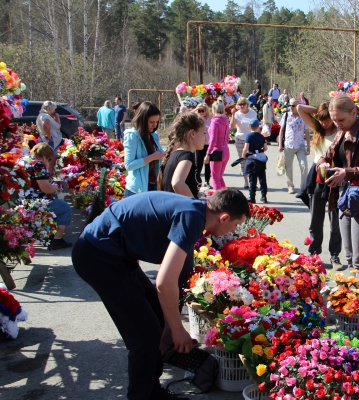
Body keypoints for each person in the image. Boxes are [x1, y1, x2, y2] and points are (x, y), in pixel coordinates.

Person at [72, 189, 249, 400]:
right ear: (224, 217)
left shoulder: (196, 210)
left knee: (155, 315)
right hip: (98, 255)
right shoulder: (192, 217)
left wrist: (167, 326)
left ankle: (151, 390)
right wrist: (176, 329)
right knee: (144, 335)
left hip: (114, 253)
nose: (233, 230)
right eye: (236, 225)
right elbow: (165, 284)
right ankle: (142, 396)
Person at [316, 94, 359, 277]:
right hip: (344, 198)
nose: (337, 123)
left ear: (354, 112)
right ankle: (352, 301)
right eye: (334, 119)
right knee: (349, 258)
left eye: (341, 119)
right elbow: (327, 155)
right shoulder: (341, 132)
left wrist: (347, 173)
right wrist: (322, 164)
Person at [298, 102, 343, 270]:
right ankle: (314, 254)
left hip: (335, 177)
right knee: (315, 219)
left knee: (334, 222)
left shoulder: (340, 130)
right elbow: (300, 109)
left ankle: (334, 255)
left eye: (327, 119)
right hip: (317, 176)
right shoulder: (317, 127)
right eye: (321, 119)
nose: (324, 123)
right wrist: (320, 109)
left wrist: (331, 111)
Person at [17, 143, 73, 251]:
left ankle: (49, 234)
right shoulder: (38, 164)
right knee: (65, 208)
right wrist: (56, 187)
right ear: (45, 156)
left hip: (20, 200)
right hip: (34, 202)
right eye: (50, 158)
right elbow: (46, 189)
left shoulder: (23, 160)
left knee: (56, 204)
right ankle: (57, 239)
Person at [157, 112, 207, 199]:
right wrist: (195, 204)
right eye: (204, 133)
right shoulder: (187, 156)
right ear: (192, 133)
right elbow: (177, 183)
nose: (206, 138)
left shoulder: (176, 154)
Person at [123, 101, 165, 196]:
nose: (155, 125)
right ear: (142, 120)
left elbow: (160, 156)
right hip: (137, 190)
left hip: (153, 186)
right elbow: (129, 165)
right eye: (151, 122)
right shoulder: (132, 135)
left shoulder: (154, 135)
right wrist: (153, 157)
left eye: (157, 121)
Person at [278, 98, 310, 194]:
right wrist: (280, 144)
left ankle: (303, 186)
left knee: (304, 165)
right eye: (290, 105)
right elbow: (281, 131)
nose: (291, 107)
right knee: (288, 166)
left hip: (300, 145)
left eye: (293, 105)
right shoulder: (286, 115)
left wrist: (308, 146)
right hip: (288, 145)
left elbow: (307, 132)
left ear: (298, 106)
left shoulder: (303, 116)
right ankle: (290, 186)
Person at [230, 97, 257, 189]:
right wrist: (233, 114)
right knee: (243, 160)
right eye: (240, 104)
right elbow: (232, 126)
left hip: (252, 139)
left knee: (253, 160)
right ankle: (246, 181)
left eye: (243, 104)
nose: (242, 106)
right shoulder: (237, 114)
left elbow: (257, 125)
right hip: (240, 139)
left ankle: (253, 181)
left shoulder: (253, 113)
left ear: (247, 104)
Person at [205, 99, 230, 190]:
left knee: (215, 177)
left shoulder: (215, 121)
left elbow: (213, 139)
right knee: (219, 176)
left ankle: (219, 200)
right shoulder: (225, 120)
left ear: (214, 110)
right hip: (226, 150)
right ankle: (225, 196)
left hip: (217, 151)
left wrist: (208, 153)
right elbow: (227, 137)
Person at [243, 119, 268, 203]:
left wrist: (243, 155)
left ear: (249, 126)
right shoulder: (261, 136)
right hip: (261, 157)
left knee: (252, 178)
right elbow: (265, 148)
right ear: (258, 127)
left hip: (253, 158)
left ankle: (252, 196)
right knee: (262, 177)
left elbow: (246, 147)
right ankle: (264, 196)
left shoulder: (249, 136)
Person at [192, 104, 212, 188]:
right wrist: (195, 109)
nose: (201, 112)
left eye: (202, 110)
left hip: (209, 144)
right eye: (199, 111)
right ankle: (197, 181)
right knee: (198, 163)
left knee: (208, 164)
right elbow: (186, 114)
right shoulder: (196, 119)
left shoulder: (210, 119)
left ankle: (207, 181)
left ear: (206, 110)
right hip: (199, 143)